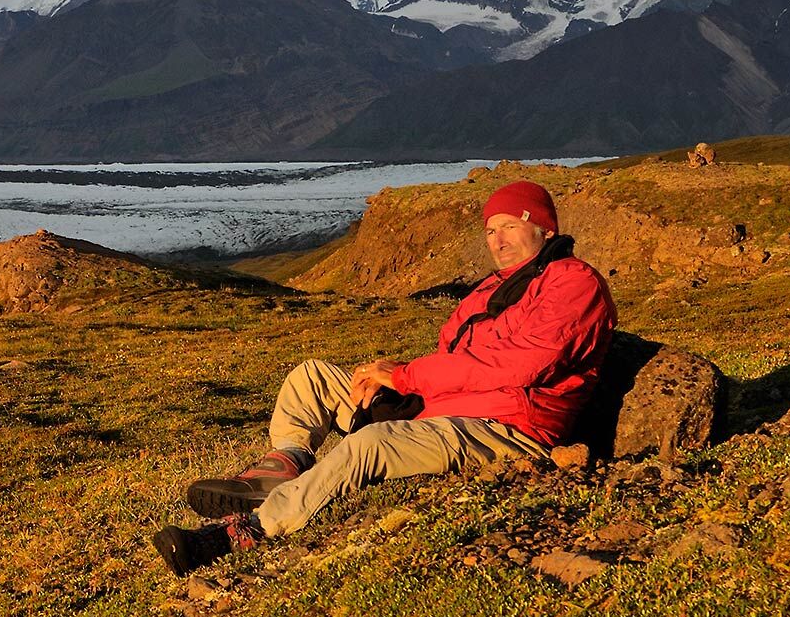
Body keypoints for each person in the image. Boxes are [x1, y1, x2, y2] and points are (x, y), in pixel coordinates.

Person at [154, 179, 616, 575]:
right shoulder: (490, 289)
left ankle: (244, 531)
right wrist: (393, 384)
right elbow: (455, 355)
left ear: (544, 227)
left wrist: (408, 377)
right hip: (443, 409)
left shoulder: (572, 282)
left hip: (508, 428)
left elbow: (522, 365)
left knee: (369, 445)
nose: (497, 240)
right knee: (312, 377)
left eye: (509, 226)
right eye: (491, 230)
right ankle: (285, 465)